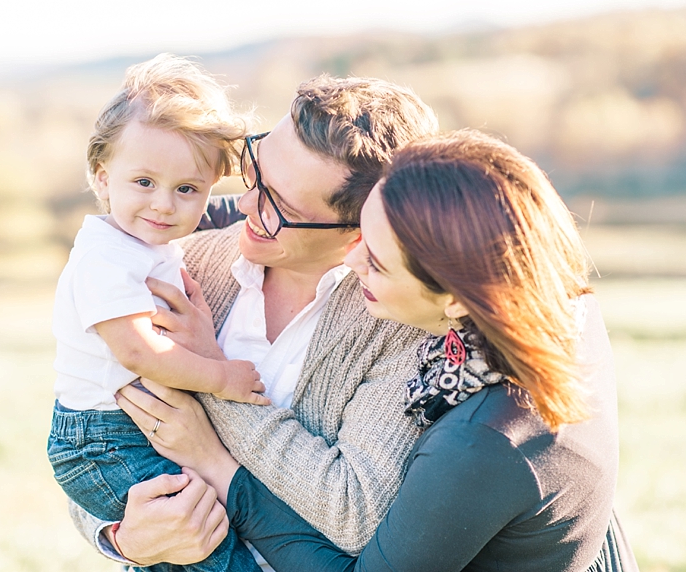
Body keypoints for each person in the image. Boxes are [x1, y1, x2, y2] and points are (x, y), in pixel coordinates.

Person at [115, 130, 639, 571]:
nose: (353, 259)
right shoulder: (544, 297)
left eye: (379, 263)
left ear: (456, 297)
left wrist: (217, 462)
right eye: (361, 230)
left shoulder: (486, 437)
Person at [68, 75, 441, 569]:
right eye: (253, 174)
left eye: (278, 206)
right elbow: (94, 434)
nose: (243, 205)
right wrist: (123, 537)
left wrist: (211, 388)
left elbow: (355, 512)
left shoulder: (402, 327)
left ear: (359, 231)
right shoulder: (183, 264)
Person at [48, 54, 267, 572]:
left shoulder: (143, 243)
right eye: (143, 182)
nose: (165, 205)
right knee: (208, 545)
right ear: (103, 178)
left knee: (193, 544)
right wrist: (221, 377)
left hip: (131, 426)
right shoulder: (107, 258)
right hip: (103, 438)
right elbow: (139, 351)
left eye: (187, 189)